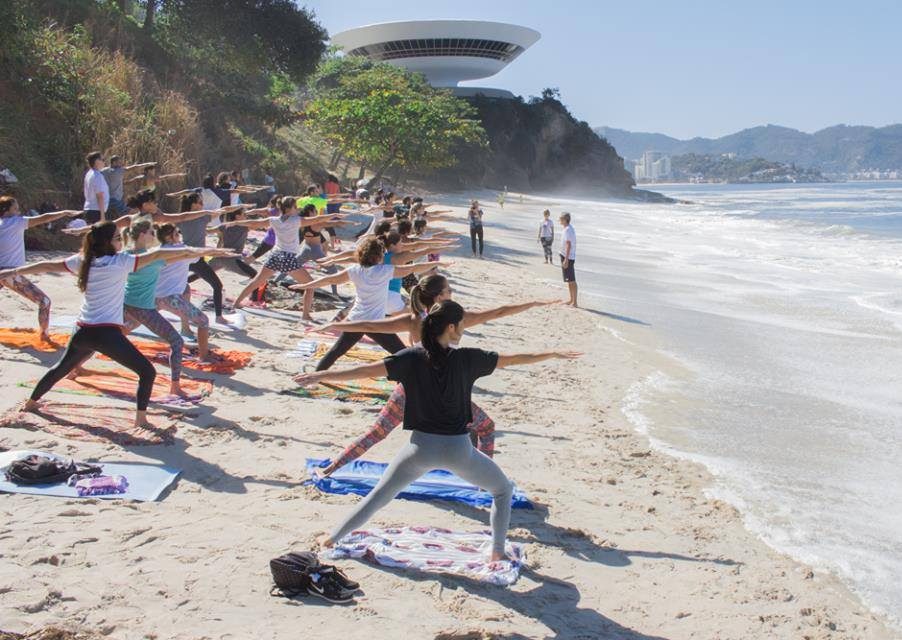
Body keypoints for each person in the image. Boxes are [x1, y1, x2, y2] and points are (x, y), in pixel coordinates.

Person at [293, 300, 580, 561]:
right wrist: (551, 354)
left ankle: (332, 538)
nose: (464, 330)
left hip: (419, 450)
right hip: (460, 452)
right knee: (502, 491)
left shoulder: (411, 357)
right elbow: (515, 358)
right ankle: (497, 553)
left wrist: (322, 375)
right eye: (462, 325)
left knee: (378, 497)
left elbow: (366, 370)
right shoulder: (469, 358)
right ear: (451, 327)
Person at [313, 273, 559, 477]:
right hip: (447, 395)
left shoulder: (414, 319)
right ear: (440, 296)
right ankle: (482, 476)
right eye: (449, 290)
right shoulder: (454, 319)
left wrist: (335, 326)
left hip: (412, 391)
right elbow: (497, 312)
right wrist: (532, 304)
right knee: (484, 427)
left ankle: (333, 468)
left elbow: (369, 326)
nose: (451, 293)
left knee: (377, 432)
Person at [0, 221, 207, 429]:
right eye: (118, 238)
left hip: (82, 331)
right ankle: (141, 420)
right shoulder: (121, 261)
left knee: (59, 368)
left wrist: (14, 271)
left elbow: (46, 266)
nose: (121, 241)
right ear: (108, 242)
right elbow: (156, 255)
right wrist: (199, 251)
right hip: (106, 334)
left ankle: (30, 404)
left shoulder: (83, 260)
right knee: (147, 372)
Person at [289, 237, 447, 370]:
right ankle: (407, 383)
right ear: (379, 256)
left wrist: (304, 285)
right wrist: (438, 265)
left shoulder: (354, 270)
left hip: (355, 320)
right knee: (400, 352)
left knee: (336, 351)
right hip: (375, 323)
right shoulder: (385, 270)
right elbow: (415, 267)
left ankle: (314, 376)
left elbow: (329, 279)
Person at [229, 196, 341, 321]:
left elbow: (254, 224)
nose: (297, 209)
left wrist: (236, 222)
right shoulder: (296, 220)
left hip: (275, 255)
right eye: (295, 207)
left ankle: (237, 303)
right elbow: (317, 219)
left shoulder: (274, 220)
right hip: (288, 257)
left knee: (257, 281)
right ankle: (305, 315)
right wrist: (333, 215)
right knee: (310, 286)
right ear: (289, 208)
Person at [0, 196, 81, 341]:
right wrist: (64, 213)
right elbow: (44, 218)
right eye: (16, 208)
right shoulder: (16, 222)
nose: (19, 211)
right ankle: (44, 336)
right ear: (6, 210)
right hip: (9, 274)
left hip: (4, 272)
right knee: (44, 302)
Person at [82, 151, 109, 224]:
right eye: (102, 160)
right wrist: (102, 217)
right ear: (97, 161)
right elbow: (99, 196)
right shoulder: (97, 176)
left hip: (91, 210)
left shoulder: (89, 174)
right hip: (96, 212)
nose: (104, 162)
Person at [559, 212, 578, 307]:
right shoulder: (566, 229)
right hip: (566, 256)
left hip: (568, 257)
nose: (559, 220)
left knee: (572, 280)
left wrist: (566, 259)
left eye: (560, 219)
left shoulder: (568, 230)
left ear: (565, 220)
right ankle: (571, 299)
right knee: (569, 280)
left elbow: (568, 244)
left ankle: (575, 302)